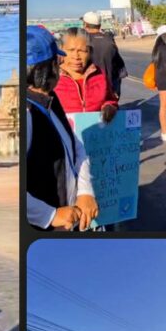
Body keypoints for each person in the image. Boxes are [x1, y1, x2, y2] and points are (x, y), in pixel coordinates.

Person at [26, 25, 98, 232]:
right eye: (55, 61)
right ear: (43, 68)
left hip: (70, 216)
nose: (61, 63)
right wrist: (50, 215)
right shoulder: (29, 114)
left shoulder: (50, 99)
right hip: (45, 226)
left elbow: (76, 147)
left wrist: (85, 191)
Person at [54, 28, 118, 122]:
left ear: (90, 52)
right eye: (71, 50)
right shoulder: (53, 78)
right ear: (61, 50)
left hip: (95, 133)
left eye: (82, 51)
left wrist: (109, 106)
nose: (76, 56)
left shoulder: (99, 75)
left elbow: (111, 99)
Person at [82, 11, 127, 97]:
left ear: (85, 24)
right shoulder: (109, 40)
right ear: (99, 25)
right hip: (110, 87)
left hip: (90, 88)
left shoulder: (82, 41)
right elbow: (119, 65)